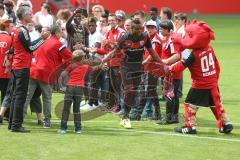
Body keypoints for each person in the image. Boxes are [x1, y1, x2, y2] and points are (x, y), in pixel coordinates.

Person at [102, 19, 162, 128]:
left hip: (139, 67)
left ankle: (125, 114)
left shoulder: (145, 37)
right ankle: (125, 117)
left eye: (141, 29)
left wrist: (162, 63)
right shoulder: (125, 38)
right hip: (126, 67)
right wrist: (102, 61)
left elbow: (152, 52)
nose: (140, 31)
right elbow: (114, 52)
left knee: (133, 93)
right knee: (130, 89)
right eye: (137, 29)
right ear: (132, 29)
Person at [24, 25, 72, 129]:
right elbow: (70, 57)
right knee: (47, 98)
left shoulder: (43, 41)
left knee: (27, 96)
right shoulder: (58, 44)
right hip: (46, 74)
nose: (62, 34)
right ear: (57, 33)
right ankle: (47, 121)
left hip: (33, 71)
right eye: (61, 32)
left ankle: (18, 118)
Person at [9, 6, 46, 132]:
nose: (31, 15)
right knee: (20, 96)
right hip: (22, 66)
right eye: (29, 14)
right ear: (24, 16)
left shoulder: (15, 29)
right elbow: (30, 48)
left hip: (16, 65)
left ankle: (12, 124)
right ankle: (16, 125)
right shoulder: (22, 30)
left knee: (15, 95)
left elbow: (12, 49)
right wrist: (42, 38)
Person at [59, 50, 105, 134]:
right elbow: (96, 67)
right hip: (79, 88)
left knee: (66, 109)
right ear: (82, 58)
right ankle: (78, 129)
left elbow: (63, 75)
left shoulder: (71, 66)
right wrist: (102, 64)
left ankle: (63, 128)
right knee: (76, 109)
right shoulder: (85, 67)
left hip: (70, 88)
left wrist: (61, 86)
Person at [157, 20, 182, 125]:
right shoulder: (170, 38)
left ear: (167, 29)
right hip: (173, 72)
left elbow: (177, 55)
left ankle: (168, 118)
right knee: (174, 95)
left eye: (162, 28)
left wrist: (165, 61)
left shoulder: (172, 39)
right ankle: (174, 117)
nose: (160, 30)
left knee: (169, 95)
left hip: (170, 72)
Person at [0, 19, 13, 123]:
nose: (12, 29)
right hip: (5, 72)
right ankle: (4, 114)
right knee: (6, 94)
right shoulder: (10, 39)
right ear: (7, 27)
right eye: (11, 27)